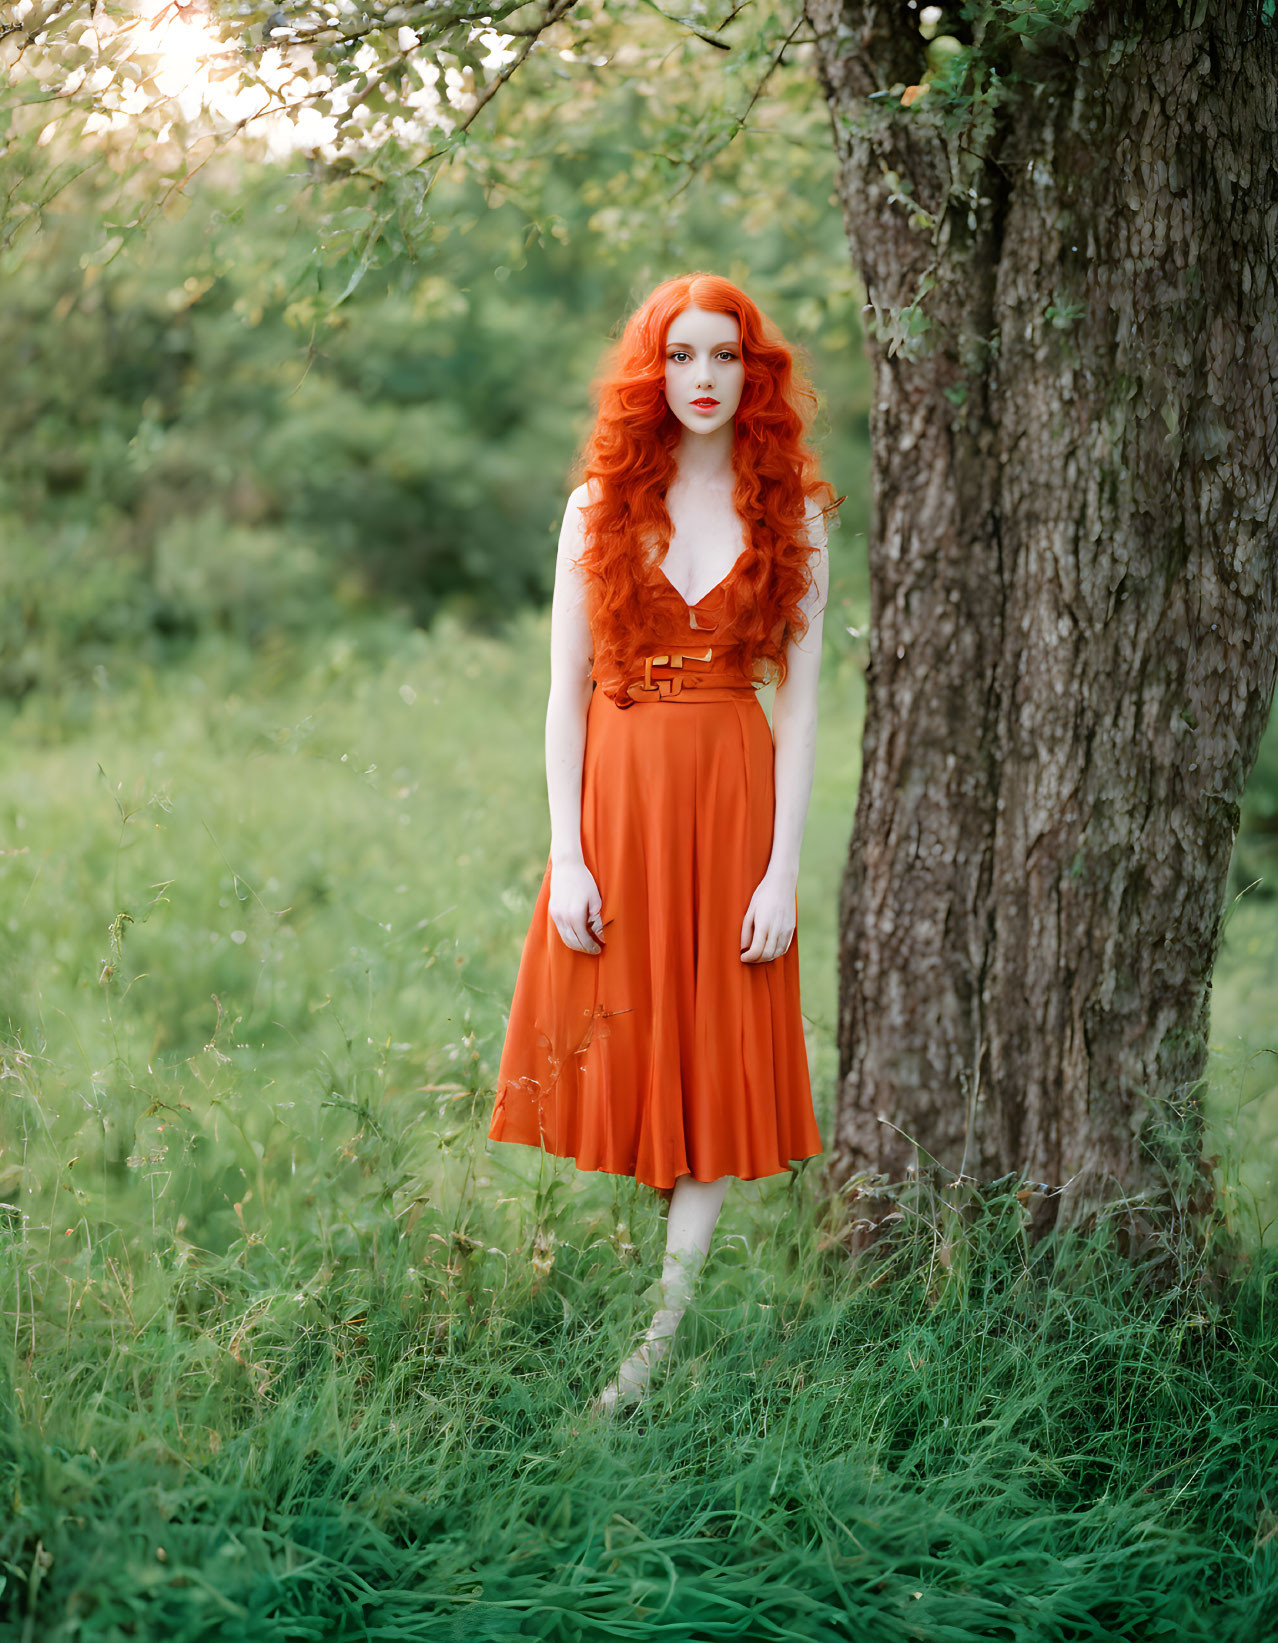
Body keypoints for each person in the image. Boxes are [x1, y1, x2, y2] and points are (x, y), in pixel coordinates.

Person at [486, 272, 842, 1414]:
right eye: (682, 356)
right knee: (636, 1040)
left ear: (756, 375)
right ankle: (622, 1291)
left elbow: (800, 706)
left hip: (734, 800)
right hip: (622, 800)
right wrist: (570, 853)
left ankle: (654, 1342)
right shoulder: (598, 507)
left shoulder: (795, 514)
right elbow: (562, 697)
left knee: (718, 1052)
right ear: (654, 371)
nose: (703, 379)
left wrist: (783, 866)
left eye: (726, 357)